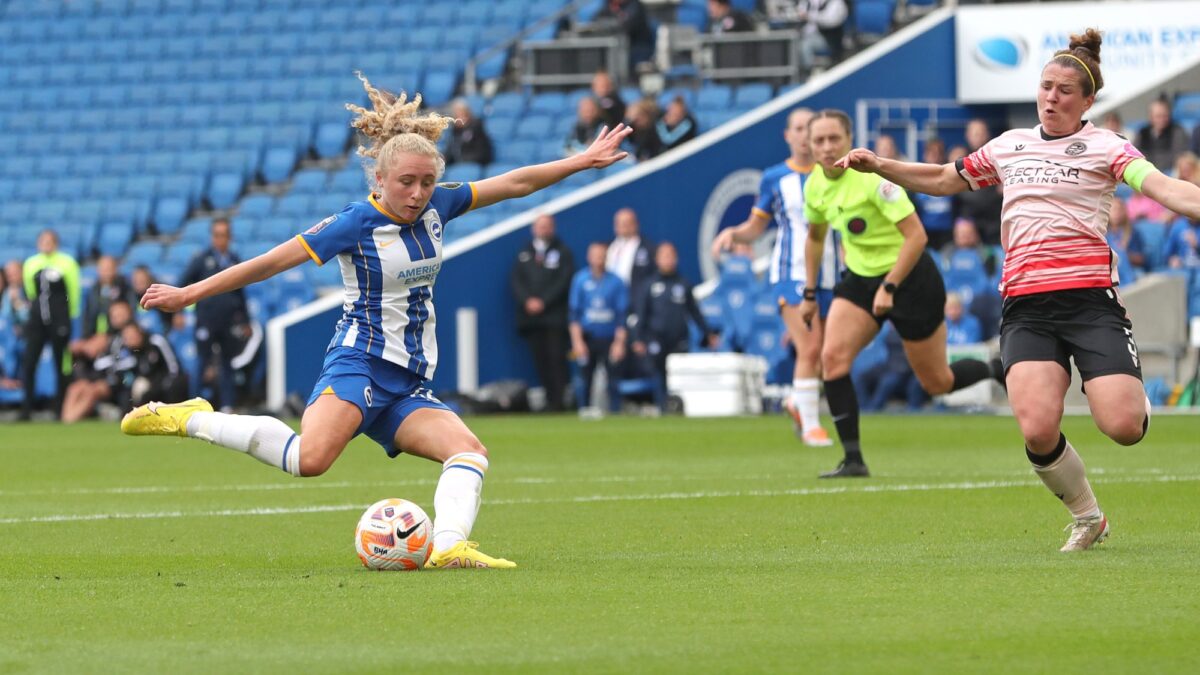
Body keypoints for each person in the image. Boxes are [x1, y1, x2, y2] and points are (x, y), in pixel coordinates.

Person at [120, 73, 632, 570]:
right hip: (358, 363)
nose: (418, 193)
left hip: (407, 378)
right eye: (406, 182)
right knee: (309, 459)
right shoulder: (353, 223)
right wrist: (189, 292)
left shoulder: (441, 205)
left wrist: (582, 161)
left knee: (470, 452)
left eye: (427, 182)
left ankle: (449, 548)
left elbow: (516, 182)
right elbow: (273, 261)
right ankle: (190, 417)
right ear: (380, 179)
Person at [837, 29, 1200, 551]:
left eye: (1064, 91)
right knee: (1036, 430)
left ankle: (1125, 392)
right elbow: (945, 178)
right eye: (1046, 86)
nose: (1051, 97)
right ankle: (1088, 517)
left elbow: (1164, 187)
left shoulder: (1108, 147)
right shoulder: (1010, 145)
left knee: (1123, 426)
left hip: (1090, 301)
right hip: (1026, 306)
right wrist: (881, 165)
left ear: (1087, 101)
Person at [799, 109, 1001, 479]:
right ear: (809, 146)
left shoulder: (873, 180)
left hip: (911, 278)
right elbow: (814, 238)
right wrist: (810, 293)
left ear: (849, 139)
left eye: (834, 139)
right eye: (819, 141)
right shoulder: (814, 185)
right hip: (861, 279)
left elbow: (917, 237)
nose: (827, 147)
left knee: (937, 382)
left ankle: (995, 368)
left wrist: (890, 286)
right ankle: (854, 459)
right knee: (833, 359)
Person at [711, 107, 837, 447]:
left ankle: (798, 402)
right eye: (797, 128)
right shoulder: (775, 177)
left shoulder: (835, 173)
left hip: (830, 275)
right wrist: (733, 235)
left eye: (809, 128)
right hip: (790, 273)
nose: (803, 134)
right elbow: (756, 226)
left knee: (826, 354)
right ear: (788, 135)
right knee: (809, 348)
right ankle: (811, 426)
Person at [630, 242, 718, 411]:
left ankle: (678, 408)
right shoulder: (649, 285)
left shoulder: (683, 284)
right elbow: (641, 314)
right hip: (656, 338)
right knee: (659, 374)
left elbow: (695, 312)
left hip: (678, 338)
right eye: (664, 256)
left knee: (678, 376)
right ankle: (661, 407)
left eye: (671, 256)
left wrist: (708, 334)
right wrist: (637, 338)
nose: (668, 260)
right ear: (657, 259)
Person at [180, 217, 248, 412]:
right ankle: (193, 404)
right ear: (212, 237)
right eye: (217, 235)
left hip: (228, 321)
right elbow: (184, 282)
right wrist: (179, 312)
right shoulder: (201, 260)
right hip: (206, 320)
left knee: (227, 363)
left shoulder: (234, 260)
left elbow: (240, 293)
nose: (221, 239)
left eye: (224, 235)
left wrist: (245, 320)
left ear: (230, 237)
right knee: (202, 362)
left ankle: (227, 404)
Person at [511, 214, 576, 412]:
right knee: (540, 360)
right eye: (540, 226)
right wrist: (527, 301)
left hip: (554, 318)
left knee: (556, 359)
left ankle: (560, 400)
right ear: (534, 229)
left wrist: (544, 301)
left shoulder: (563, 252)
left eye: (547, 226)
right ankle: (549, 399)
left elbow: (564, 281)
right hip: (532, 319)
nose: (544, 230)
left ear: (553, 228)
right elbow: (516, 281)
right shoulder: (525, 252)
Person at [20, 229, 80, 421]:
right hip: (37, 321)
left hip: (59, 320)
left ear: (56, 243)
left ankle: (59, 408)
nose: (46, 244)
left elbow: (74, 291)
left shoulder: (66, 263)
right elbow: (31, 292)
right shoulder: (31, 264)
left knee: (60, 364)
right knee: (29, 362)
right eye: (43, 241)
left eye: (49, 241)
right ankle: (26, 409)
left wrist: (68, 317)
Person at [568, 241, 628, 412]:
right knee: (585, 377)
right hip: (588, 337)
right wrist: (577, 342)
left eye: (602, 255)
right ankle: (584, 411)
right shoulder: (580, 280)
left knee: (613, 378)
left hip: (609, 337)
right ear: (589, 257)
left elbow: (622, 316)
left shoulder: (616, 282)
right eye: (595, 255)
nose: (598, 259)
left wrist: (619, 343)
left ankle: (616, 412)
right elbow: (574, 315)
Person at [954, 119, 1003, 245]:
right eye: (975, 133)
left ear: (987, 134)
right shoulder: (959, 159)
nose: (978, 137)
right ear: (968, 136)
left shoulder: (998, 156)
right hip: (970, 221)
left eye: (981, 133)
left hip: (994, 223)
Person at [605, 207, 656, 303]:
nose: (623, 226)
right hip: (610, 302)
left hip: (633, 300)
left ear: (636, 224)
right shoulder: (609, 247)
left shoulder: (648, 248)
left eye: (627, 223)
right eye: (620, 223)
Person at [911, 139, 954, 250]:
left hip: (947, 233)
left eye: (938, 153)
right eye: (931, 153)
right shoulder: (916, 180)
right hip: (925, 232)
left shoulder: (951, 177)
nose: (934, 157)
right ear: (925, 155)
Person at [81, 255, 136, 339]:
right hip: (96, 336)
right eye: (102, 269)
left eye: (108, 269)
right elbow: (89, 315)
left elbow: (130, 311)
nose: (105, 273)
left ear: (115, 269)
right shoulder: (94, 289)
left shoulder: (124, 286)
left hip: (120, 334)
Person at [594, 0, 654, 74]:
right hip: (614, 54)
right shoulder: (608, 6)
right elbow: (597, 22)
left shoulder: (635, 6)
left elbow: (627, 26)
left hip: (636, 51)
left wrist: (611, 22)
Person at [1134, 97, 1190, 174]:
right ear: (1151, 117)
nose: (1162, 120)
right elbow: (1136, 156)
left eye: (1165, 116)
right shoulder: (1142, 133)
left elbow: (1179, 156)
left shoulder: (1177, 131)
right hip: (1148, 174)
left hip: (1171, 174)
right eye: (1158, 116)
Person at [445, 98, 494, 166]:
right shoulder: (454, 130)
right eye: (456, 114)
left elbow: (482, 152)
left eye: (461, 113)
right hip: (458, 164)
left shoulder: (476, 127)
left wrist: (463, 160)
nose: (458, 117)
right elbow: (450, 151)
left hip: (473, 163)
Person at [1106, 197, 1145, 280]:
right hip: (1109, 271)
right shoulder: (1103, 234)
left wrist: (1125, 255)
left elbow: (1141, 259)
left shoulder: (1133, 232)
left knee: (1140, 274)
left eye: (1119, 210)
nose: (1116, 213)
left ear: (1124, 211)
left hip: (1130, 269)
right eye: (1113, 210)